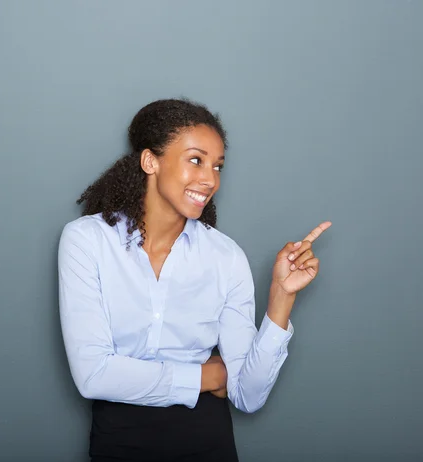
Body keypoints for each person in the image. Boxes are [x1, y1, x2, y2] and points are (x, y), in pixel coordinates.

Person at [57, 98, 331, 462]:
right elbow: (94, 375)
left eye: (218, 166)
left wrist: (281, 297)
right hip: (118, 443)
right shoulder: (87, 241)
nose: (210, 179)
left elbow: (248, 395)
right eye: (196, 160)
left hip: (207, 443)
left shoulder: (225, 256)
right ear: (150, 161)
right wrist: (209, 377)